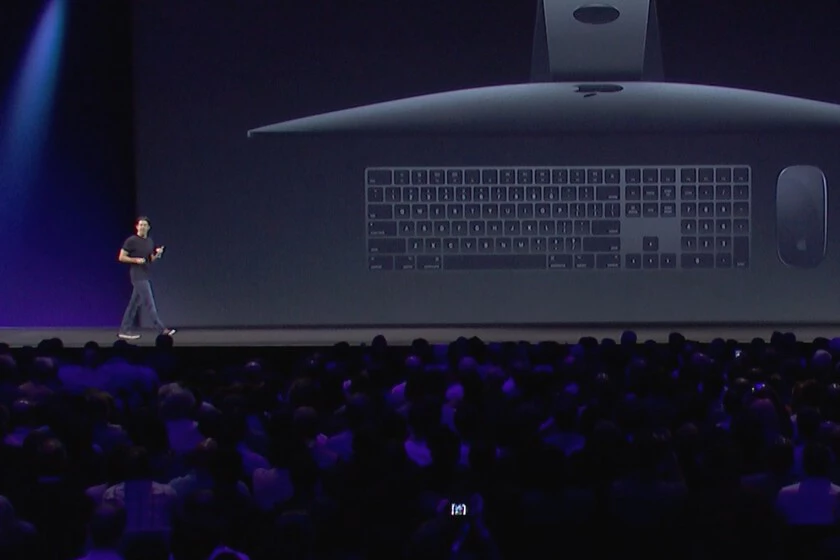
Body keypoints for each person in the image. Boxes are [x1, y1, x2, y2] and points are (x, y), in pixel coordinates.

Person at [117, 216, 175, 340]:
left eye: (145, 225)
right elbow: (121, 257)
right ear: (137, 227)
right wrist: (135, 260)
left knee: (133, 305)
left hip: (145, 274)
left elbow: (149, 259)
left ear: (148, 227)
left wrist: (157, 254)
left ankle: (124, 330)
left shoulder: (149, 241)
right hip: (137, 275)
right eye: (140, 225)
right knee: (149, 302)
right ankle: (161, 329)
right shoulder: (131, 241)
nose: (142, 227)